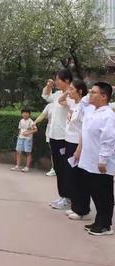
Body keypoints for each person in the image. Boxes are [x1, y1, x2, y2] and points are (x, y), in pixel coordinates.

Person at [74, 82, 115, 236]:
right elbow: (83, 103)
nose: (90, 94)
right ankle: (99, 221)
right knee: (95, 192)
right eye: (90, 91)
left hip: (101, 163)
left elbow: (109, 139)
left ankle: (105, 225)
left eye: (94, 92)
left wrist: (103, 160)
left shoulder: (108, 115)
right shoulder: (91, 110)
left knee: (104, 194)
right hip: (89, 160)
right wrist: (90, 93)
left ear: (104, 97)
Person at [58, 79, 91, 221]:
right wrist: (67, 91)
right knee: (71, 177)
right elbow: (60, 100)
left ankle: (82, 209)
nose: (69, 91)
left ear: (80, 91)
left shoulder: (85, 106)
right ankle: (76, 207)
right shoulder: (74, 103)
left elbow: (85, 129)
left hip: (78, 145)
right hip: (69, 142)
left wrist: (79, 149)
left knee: (79, 177)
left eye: (72, 89)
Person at [42, 69, 72, 210]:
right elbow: (46, 96)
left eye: (58, 79)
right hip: (53, 136)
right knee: (58, 168)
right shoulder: (57, 94)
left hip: (64, 137)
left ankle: (68, 197)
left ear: (66, 81)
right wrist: (49, 85)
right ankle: (62, 196)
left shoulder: (72, 94)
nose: (56, 82)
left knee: (65, 168)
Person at [11, 108, 37, 172]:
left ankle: (27, 167)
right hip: (20, 138)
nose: (25, 114)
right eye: (23, 113)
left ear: (29, 114)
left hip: (28, 139)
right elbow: (20, 129)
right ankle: (17, 166)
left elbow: (35, 130)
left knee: (28, 152)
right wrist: (19, 135)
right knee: (18, 152)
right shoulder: (21, 121)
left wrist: (28, 132)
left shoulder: (31, 121)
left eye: (26, 113)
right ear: (22, 114)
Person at [34, 103, 56, 176]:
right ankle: (54, 168)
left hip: (64, 132)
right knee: (53, 151)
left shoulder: (68, 102)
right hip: (51, 131)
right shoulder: (50, 105)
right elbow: (42, 115)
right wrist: (34, 122)